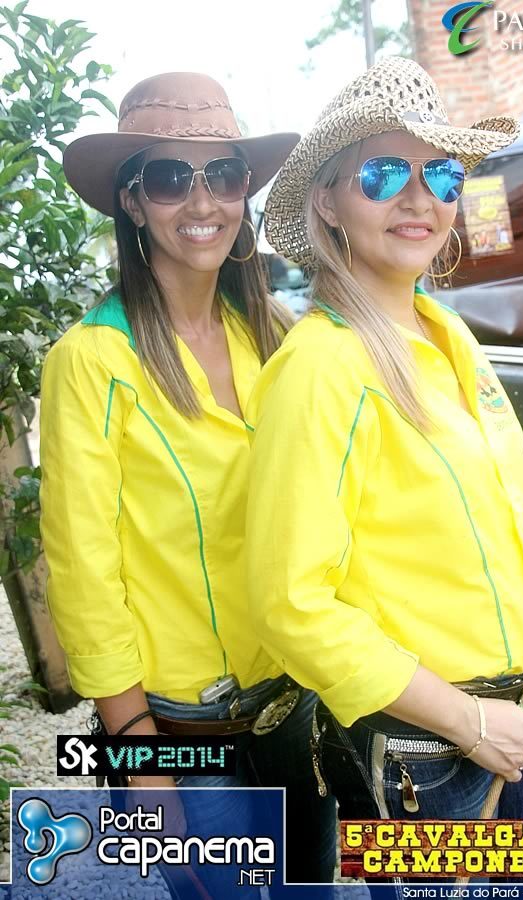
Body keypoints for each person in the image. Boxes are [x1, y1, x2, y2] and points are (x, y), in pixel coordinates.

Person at [245, 57, 523, 888]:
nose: (420, 198)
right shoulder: (319, 369)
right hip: (428, 752)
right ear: (327, 200)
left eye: (442, 174)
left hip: (518, 711)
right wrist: (470, 724)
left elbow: (427, 536)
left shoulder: (445, 332)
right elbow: (290, 603)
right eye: (382, 173)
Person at [40, 72, 336, 893]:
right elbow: (84, 576)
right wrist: (140, 764)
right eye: (171, 177)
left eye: (224, 174)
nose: (201, 201)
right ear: (133, 201)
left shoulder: (273, 335)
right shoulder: (91, 361)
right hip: (180, 733)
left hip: (296, 704)